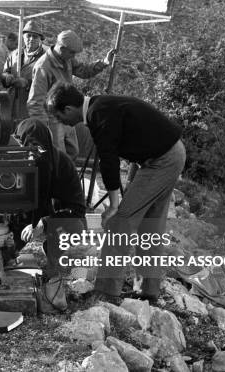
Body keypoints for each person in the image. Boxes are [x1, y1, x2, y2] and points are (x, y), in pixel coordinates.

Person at [46, 82, 186, 304]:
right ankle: (148, 290)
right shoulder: (99, 105)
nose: (62, 124)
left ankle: (106, 292)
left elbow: (108, 160)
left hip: (161, 160)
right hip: (169, 153)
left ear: (68, 109)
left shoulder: (98, 113)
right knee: (151, 224)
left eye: (59, 118)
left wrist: (113, 206)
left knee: (119, 223)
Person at [11, 118, 87, 312]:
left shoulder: (59, 163)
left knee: (63, 239)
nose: (32, 151)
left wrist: (43, 224)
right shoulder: (22, 160)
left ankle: (56, 280)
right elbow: (24, 202)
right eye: (26, 145)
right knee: (6, 250)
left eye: (37, 146)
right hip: (40, 212)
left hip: (67, 217)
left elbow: (76, 212)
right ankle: (10, 255)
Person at [28, 30, 115, 160]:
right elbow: (35, 102)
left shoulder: (66, 59)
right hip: (52, 119)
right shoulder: (43, 67)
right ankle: (58, 180)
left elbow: (84, 71)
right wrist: (44, 131)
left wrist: (104, 62)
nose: (73, 56)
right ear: (62, 48)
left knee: (73, 152)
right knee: (58, 158)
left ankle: (67, 178)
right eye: (72, 52)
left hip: (68, 115)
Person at [0, 21, 47, 124]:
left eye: (35, 36)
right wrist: (7, 77)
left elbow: (49, 83)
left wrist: (27, 83)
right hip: (12, 105)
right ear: (23, 37)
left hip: (33, 107)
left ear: (40, 39)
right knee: (11, 135)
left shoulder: (46, 58)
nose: (31, 39)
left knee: (29, 133)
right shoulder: (14, 54)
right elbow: (4, 73)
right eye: (28, 35)